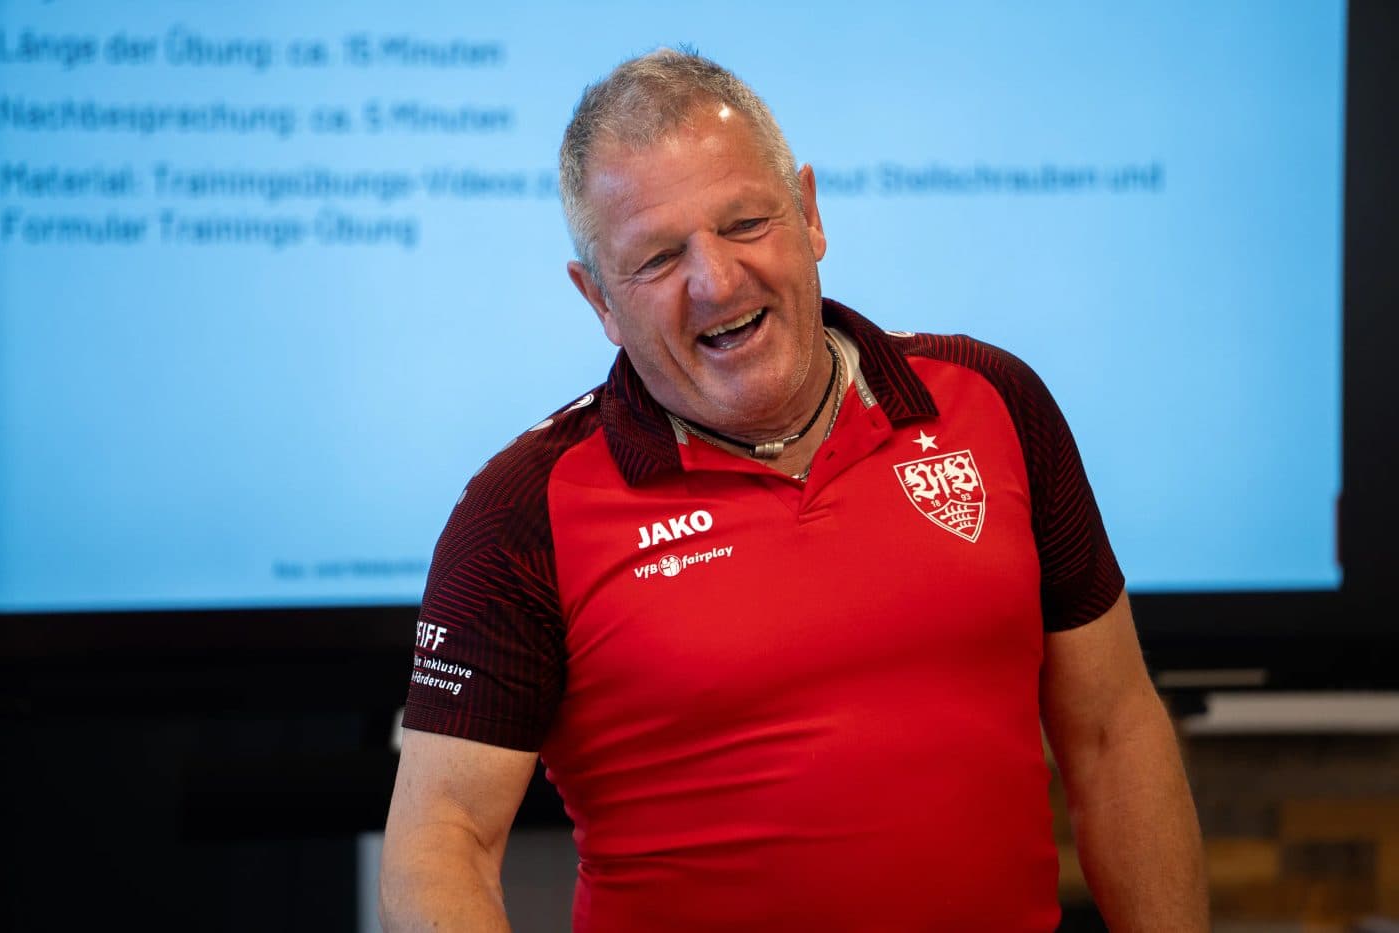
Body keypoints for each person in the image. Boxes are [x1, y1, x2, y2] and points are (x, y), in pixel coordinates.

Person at [380, 48, 1208, 932]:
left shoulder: (992, 401)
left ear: (809, 214)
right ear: (599, 300)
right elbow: (442, 841)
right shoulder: (520, 511)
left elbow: (1115, 731)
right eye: (658, 258)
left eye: (744, 224)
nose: (717, 281)